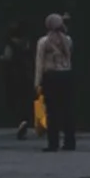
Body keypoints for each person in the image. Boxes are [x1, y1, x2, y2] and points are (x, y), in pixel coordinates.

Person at [34, 9, 77, 153]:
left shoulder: (44, 42)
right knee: (68, 109)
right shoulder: (68, 40)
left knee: (52, 111)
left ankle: (53, 143)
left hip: (51, 76)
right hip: (66, 75)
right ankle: (70, 141)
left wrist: (37, 81)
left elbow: (39, 63)